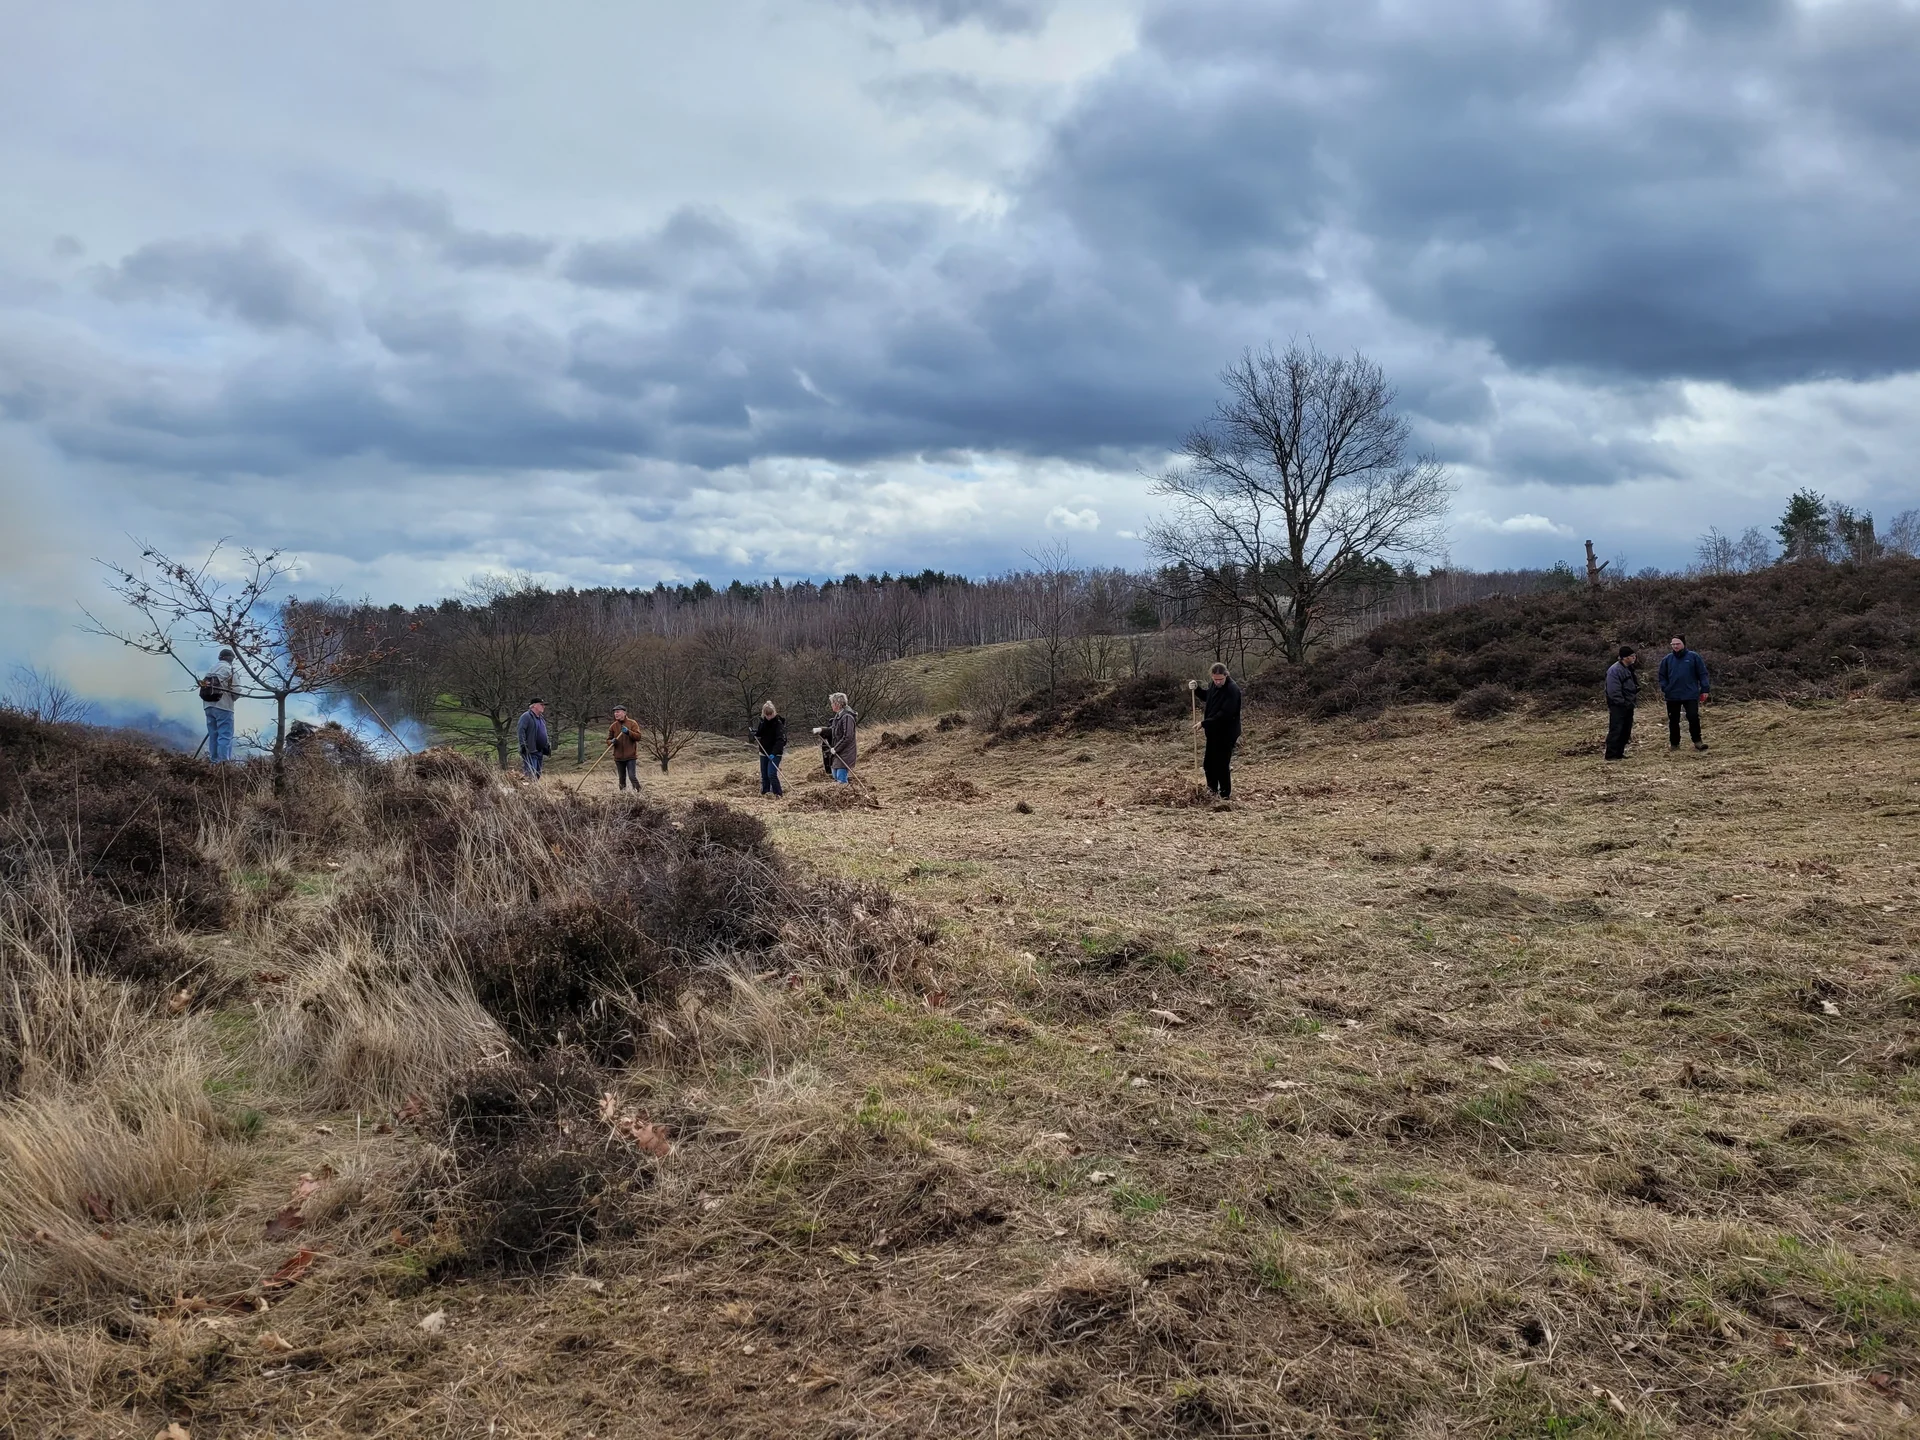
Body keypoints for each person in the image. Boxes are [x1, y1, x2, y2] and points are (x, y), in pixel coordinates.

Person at [1191, 663, 1242, 799]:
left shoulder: (1232, 690)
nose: (1217, 682)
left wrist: (1204, 723)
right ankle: (1212, 791)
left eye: (1220, 679)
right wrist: (1196, 689)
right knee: (1209, 763)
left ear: (1226, 675)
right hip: (1213, 732)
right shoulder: (1214, 685)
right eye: (1215, 679)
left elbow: (1224, 714)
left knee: (1221, 764)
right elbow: (1209, 697)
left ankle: (1225, 795)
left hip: (1227, 732)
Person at [1657, 634, 1711, 752]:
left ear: (1683, 644)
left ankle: (1697, 741)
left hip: (1690, 694)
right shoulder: (1667, 659)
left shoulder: (1693, 657)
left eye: (1678, 644)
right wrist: (1665, 688)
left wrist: (1705, 689)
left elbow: (1702, 673)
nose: (1675, 646)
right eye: (1673, 644)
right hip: (1672, 695)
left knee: (1693, 717)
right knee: (1673, 720)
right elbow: (1662, 676)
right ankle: (1674, 744)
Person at [200, 648, 237, 763]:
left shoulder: (211, 669)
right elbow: (236, 689)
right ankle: (223, 765)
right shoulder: (229, 669)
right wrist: (233, 699)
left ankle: (213, 762)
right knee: (225, 735)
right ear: (231, 659)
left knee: (213, 735)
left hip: (208, 706)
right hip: (224, 707)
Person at [812, 692, 858, 783]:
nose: (831, 705)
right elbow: (833, 730)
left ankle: (846, 794)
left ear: (838, 704)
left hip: (845, 752)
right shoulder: (838, 716)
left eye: (832, 703)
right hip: (838, 752)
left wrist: (836, 748)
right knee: (835, 775)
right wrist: (821, 730)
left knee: (841, 778)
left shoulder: (847, 717)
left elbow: (847, 737)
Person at [1603, 647, 1639, 761]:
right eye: (1632, 656)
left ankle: (1619, 753)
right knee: (1616, 729)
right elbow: (1613, 690)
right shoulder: (1615, 670)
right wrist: (1621, 702)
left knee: (1625, 730)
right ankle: (1611, 755)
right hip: (1618, 706)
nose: (1634, 658)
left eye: (1634, 655)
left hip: (1628, 704)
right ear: (1625, 657)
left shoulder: (1628, 668)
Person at [754, 700, 787, 797]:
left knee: (771, 773)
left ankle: (778, 793)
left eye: (770, 714)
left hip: (775, 753)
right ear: (764, 714)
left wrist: (774, 753)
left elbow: (781, 741)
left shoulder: (778, 724)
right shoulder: (763, 722)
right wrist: (755, 733)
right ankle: (766, 793)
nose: (769, 717)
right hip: (763, 752)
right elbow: (760, 734)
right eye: (766, 714)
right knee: (764, 775)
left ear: (774, 712)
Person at [607, 705, 642, 791]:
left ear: (624, 713)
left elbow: (638, 737)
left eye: (618, 712)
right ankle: (623, 796)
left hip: (630, 756)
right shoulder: (613, 726)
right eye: (615, 712)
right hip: (618, 757)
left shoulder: (632, 723)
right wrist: (611, 742)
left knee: (632, 776)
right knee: (621, 779)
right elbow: (608, 740)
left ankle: (639, 793)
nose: (616, 714)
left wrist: (628, 732)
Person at [517, 697, 552, 778]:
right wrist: (523, 745)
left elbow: (544, 732)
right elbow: (520, 731)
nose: (543, 707)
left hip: (540, 751)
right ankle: (529, 789)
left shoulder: (541, 718)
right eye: (541, 705)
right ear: (534, 706)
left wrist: (547, 745)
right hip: (530, 751)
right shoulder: (526, 716)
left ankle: (534, 789)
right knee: (530, 774)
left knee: (537, 774)